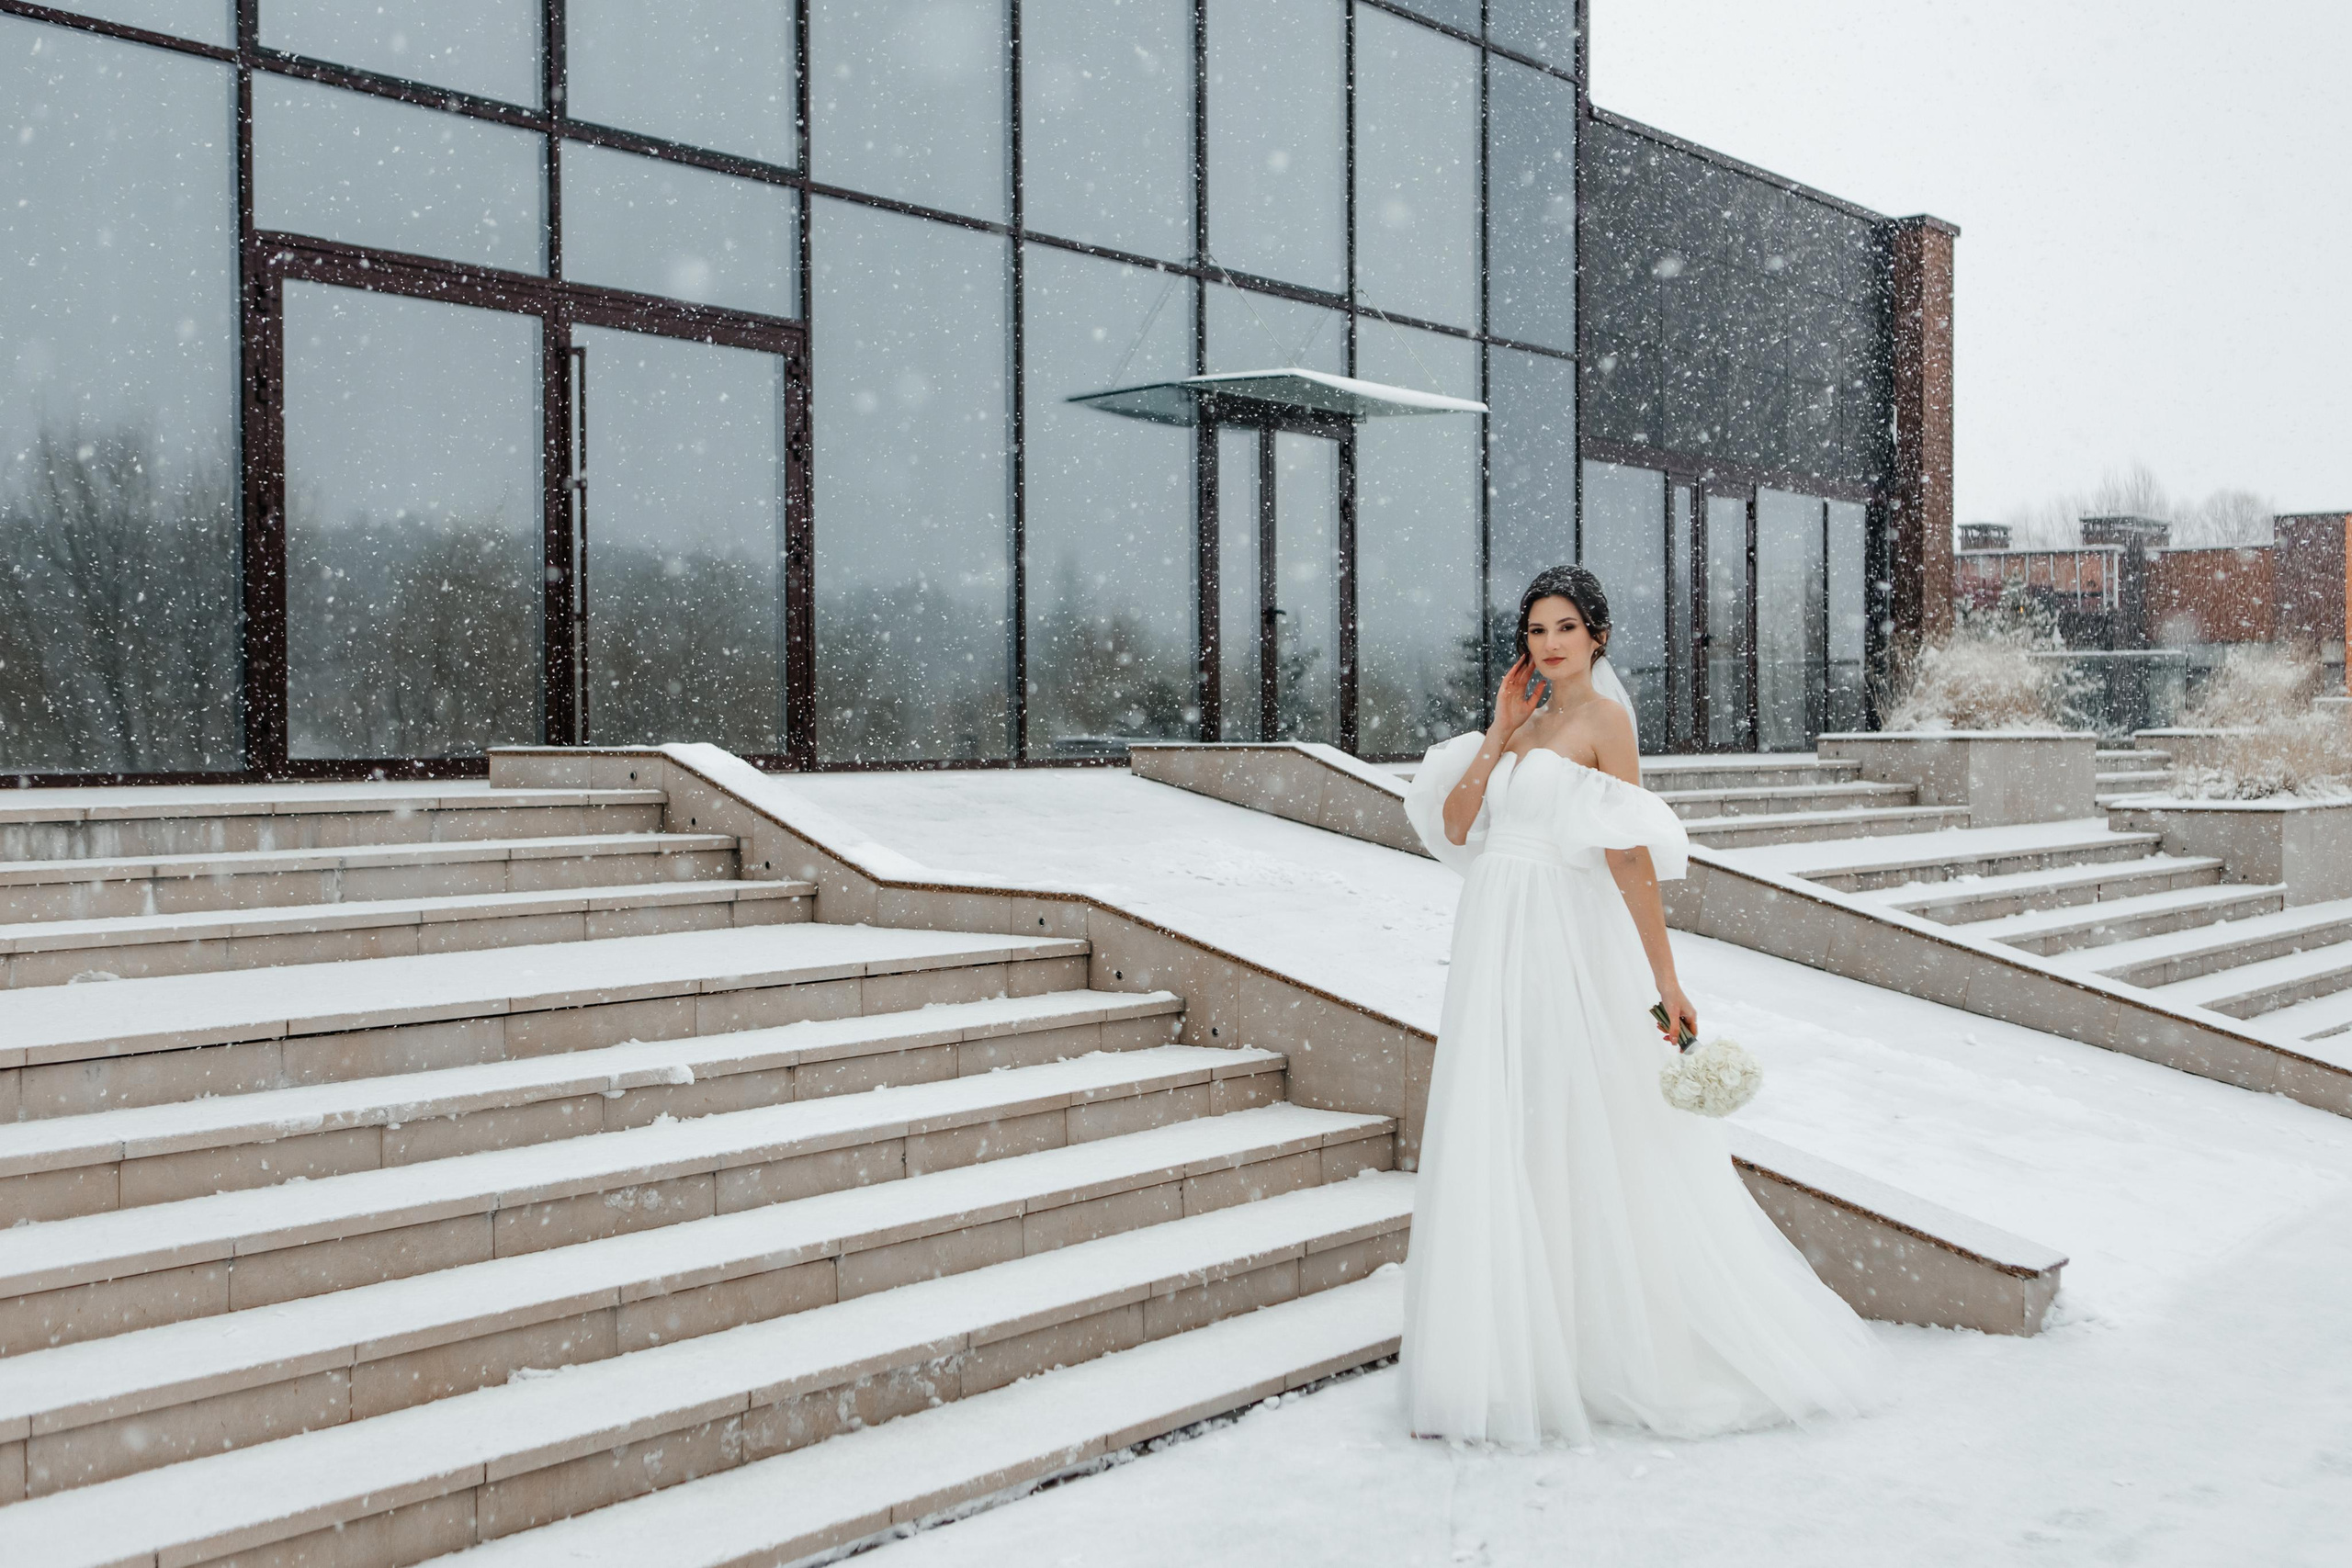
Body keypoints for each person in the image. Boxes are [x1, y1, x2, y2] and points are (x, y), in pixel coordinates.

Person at [1397, 564, 1886, 1446]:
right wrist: (1500, 731)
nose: (1548, 645)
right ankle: (1504, 1350)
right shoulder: (1522, 722)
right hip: (1490, 935)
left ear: (1598, 637)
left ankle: (1585, 1344)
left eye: (1565, 629)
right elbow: (1463, 825)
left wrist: (1665, 977)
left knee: (1566, 1115)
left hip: (1555, 933)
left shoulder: (1606, 724)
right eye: (1536, 630)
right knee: (1498, 1114)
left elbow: (1627, 857)